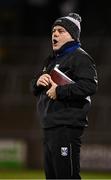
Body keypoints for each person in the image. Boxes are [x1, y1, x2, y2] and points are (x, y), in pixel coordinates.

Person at [31, 12, 98, 179]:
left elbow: (90, 86)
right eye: (53, 31)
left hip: (66, 126)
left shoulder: (80, 58)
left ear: (73, 35)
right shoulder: (51, 60)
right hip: (50, 126)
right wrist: (37, 81)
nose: (55, 34)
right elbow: (35, 88)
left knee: (66, 177)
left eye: (60, 31)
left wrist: (59, 91)